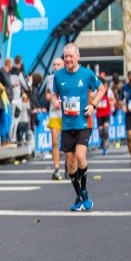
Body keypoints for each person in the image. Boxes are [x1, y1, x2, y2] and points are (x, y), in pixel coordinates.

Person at [51, 43, 106, 212]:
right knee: (70, 163)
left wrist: (93, 105)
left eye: (70, 56)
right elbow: (54, 94)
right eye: (65, 56)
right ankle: (80, 195)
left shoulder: (87, 74)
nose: (68, 59)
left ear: (77, 56)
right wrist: (55, 101)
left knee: (80, 157)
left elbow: (102, 88)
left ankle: (84, 192)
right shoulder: (58, 75)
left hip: (83, 122)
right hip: (67, 125)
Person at [43, 58, 65, 180]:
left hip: (66, 114)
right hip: (54, 113)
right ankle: (56, 168)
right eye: (54, 65)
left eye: (58, 64)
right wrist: (52, 99)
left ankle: (69, 165)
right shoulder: (49, 79)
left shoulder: (68, 77)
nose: (56, 67)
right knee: (55, 142)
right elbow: (47, 94)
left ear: (63, 65)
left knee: (68, 143)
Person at [94, 75, 115, 155]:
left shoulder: (109, 91)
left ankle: (105, 148)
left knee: (105, 130)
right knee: (100, 131)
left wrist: (111, 102)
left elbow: (113, 100)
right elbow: (92, 99)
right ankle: (102, 141)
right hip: (99, 114)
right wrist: (96, 104)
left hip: (106, 113)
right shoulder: (96, 91)